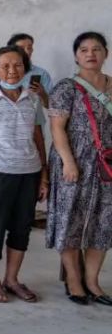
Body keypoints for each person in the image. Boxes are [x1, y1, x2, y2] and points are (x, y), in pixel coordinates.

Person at [0, 45, 48, 303]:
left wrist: (44, 175)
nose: (12, 71)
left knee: (21, 228)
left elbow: (38, 138)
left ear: (25, 68)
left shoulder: (33, 99)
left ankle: (12, 279)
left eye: (17, 65)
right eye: (5, 66)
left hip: (29, 172)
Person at [47, 31, 112, 306]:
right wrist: (69, 162)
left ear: (105, 54)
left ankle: (93, 281)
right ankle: (74, 280)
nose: (90, 54)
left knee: (104, 221)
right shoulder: (66, 88)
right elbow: (57, 128)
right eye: (84, 50)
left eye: (96, 49)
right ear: (76, 55)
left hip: (106, 165)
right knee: (70, 219)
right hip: (73, 161)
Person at [7, 33, 52, 107]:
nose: (27, 52)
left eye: (29, 48)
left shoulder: (42, 73)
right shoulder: (2, 72)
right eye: (21, 48)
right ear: (11, 51)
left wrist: (42, 94)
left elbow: (52, 106)